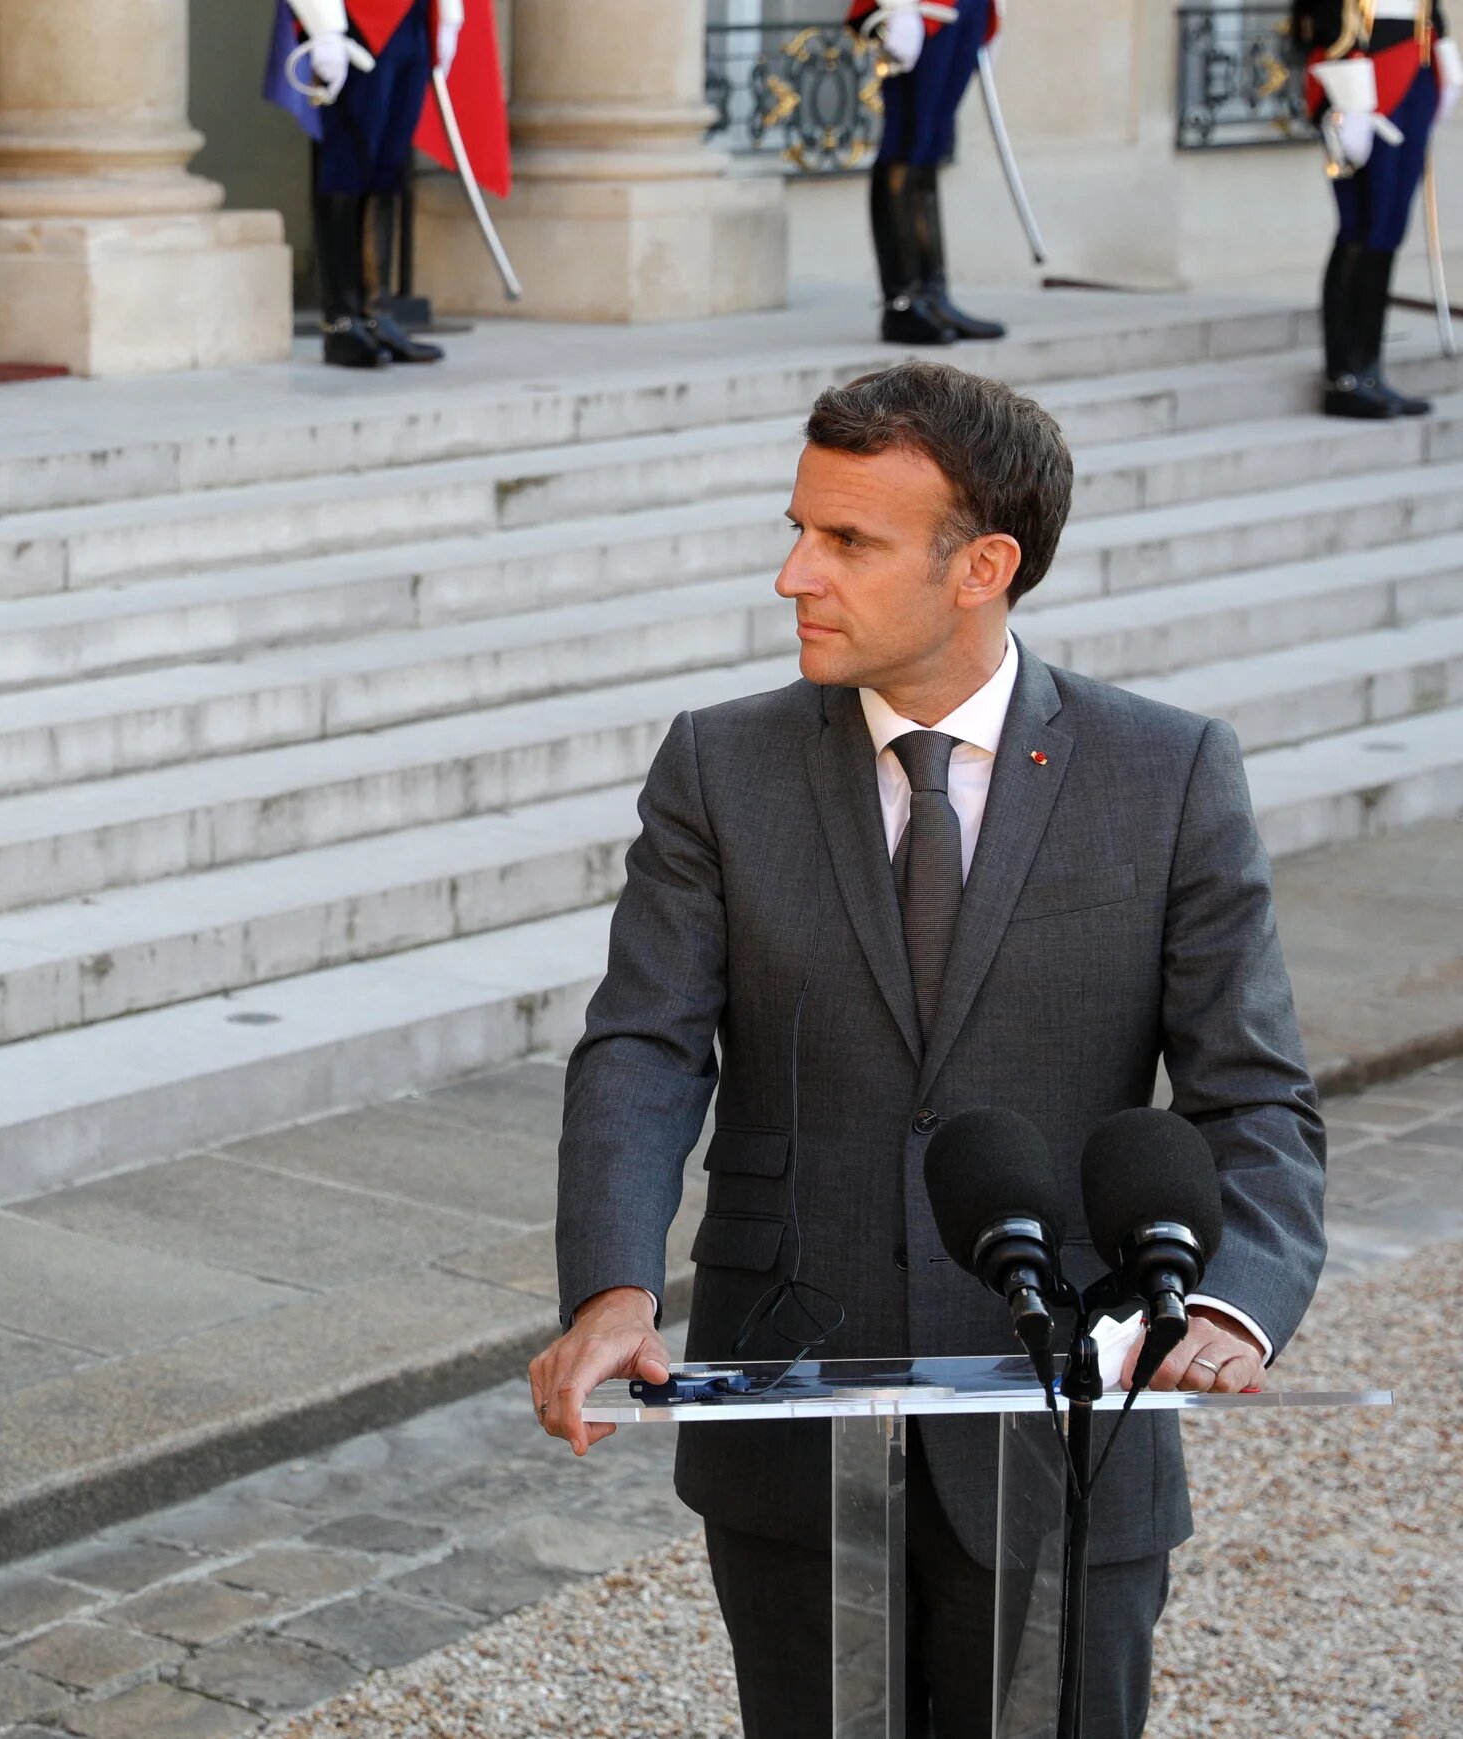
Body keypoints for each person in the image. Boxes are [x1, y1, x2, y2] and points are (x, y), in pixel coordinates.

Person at [527, 362, 1326, 1738]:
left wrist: (1231, 1302)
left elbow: (1253, 1096)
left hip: (1071, 1426)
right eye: (797, 527)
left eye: (847, 540)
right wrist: (610, 1283)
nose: (794, 573)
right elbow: (642, 1051)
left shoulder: (1169, 771)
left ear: (984, 567)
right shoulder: (721, 766)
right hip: (793, 1404)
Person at [264, 0, 504, 369]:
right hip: (359, 18)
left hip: (412, 17)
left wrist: (450, 17)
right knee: (349, 162)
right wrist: (325, 26)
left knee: (387, 165)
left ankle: (375, 311)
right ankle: (341, 321)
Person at [1294, 0, 1462, 417]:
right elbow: (1320, 14)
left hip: (1416, 67)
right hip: (1361, 72)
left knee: (1389, 226)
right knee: (1361, 224)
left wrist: (1446, 62)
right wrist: (1347, 93)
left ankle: (1369, 368)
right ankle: (1343, 377)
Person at [852, 0, 1006, 344]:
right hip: (920, 7)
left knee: (931, 144)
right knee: (906, 141)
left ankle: (932, 295)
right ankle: (902, 303)